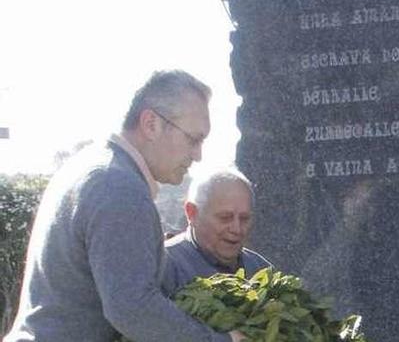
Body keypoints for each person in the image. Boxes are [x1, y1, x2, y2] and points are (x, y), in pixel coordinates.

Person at [4, 70, 245, 342]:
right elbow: (133, 308)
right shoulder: (119, 188)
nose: (198, 155)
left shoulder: (92, 166)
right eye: (193, 139)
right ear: (151, 123)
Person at [163, 169, 271, 296]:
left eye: (244, 218)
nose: (236, 229)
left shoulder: (262, 271)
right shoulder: (162, 267)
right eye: (225, 217)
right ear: (192, 213)